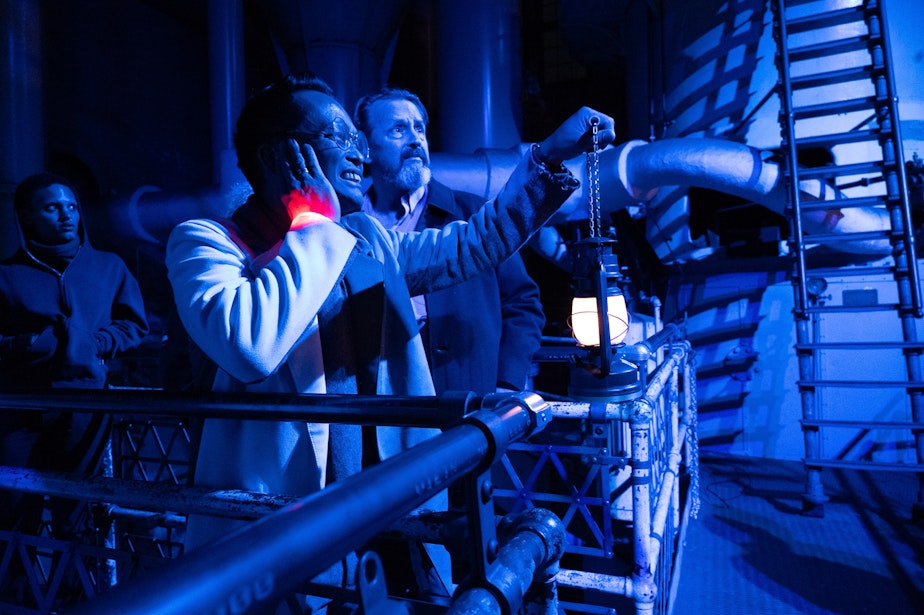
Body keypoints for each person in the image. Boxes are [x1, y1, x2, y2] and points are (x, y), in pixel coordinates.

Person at [165, 72, 613, 583]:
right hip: (283, 512)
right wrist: (312, 222)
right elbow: (249, 346)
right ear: (279, 158)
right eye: (338, 137)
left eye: (358, 141)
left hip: (385, 494)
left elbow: (472, 244)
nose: (359, 156)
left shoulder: (365, 237)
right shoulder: (206, 241)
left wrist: (548, 158)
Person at [0, 172, 149, 601]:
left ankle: (77, 604)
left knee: (80, 514)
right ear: (26, 216)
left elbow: (133, 324)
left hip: (85, 406)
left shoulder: (108, 266)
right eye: (52, 207)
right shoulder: (6, 276)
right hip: (20, 411)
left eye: (70, 206)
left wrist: (97, 342)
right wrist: (28, 345)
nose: (66, 215)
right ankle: (16, 604)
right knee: (13, 510)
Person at [354, 87, 544, 395]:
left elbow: (522, 303)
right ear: (364, 146)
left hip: (465, 404)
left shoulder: (474, 215)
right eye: (398, 130)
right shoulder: (348, 228)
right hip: (378, 407)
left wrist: (507, 384)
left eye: (419, 129)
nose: (415, 139)